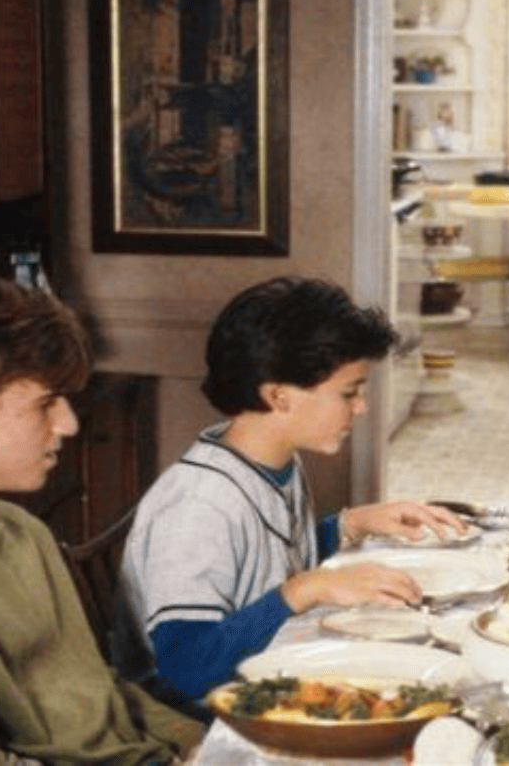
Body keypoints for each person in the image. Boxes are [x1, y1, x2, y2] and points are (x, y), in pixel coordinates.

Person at [120, 276, 464, 715]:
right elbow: (184, 669)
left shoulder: (274, 460)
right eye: (349, 391)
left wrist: (348, 525)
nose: (361, 406)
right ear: (278, 396)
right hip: (198, 718)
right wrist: (305, 590)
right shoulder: (199, 506)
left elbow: (267, 560)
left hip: (259, 680)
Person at [0, 265, 202, 764]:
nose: (68, 424)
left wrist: (206, 743)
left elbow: (95, 689)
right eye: (46, 403)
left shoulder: (25, 532)